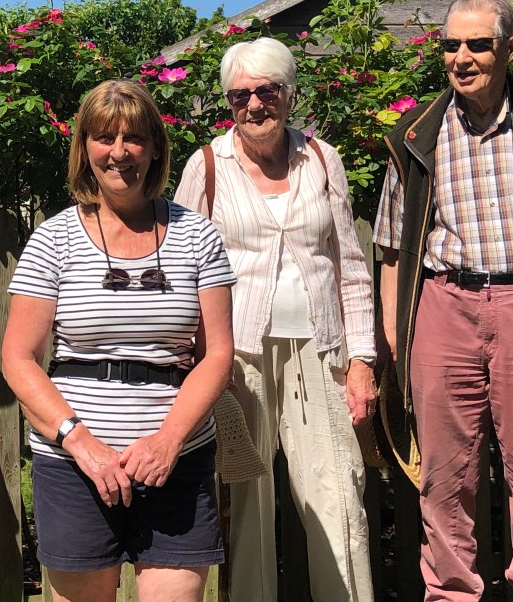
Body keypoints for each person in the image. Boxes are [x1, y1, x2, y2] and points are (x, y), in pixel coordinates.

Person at [374, 0, 513, 602]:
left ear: (508, 49)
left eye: (477, 44)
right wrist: (394, 338)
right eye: (450, 45)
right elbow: (391, 248)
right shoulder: (417, 134)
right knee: (443, 478)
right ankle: (451, 594)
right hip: (441, 306)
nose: (461, 57)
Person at [1, 79, 236, 602]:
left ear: (154, 149)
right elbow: (18, 357)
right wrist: (82, 444)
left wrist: (168, 441)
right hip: (75, 467)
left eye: (134, 138)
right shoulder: (54, 239)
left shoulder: (197, 236)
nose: (119, 152)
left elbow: (217, 352)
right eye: (104, 137)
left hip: (177, 460)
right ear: (84, 148)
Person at [175, 36, 377, 602]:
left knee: (338, 495)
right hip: (236, 356)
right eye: (240, 96)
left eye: (266, 91)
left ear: (289, 94)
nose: (254, 105)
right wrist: (198, 360)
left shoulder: (322, 158)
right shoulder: (206, 166)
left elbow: (350, 265)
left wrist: (362, 359)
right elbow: (182, 268)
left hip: (321, 350)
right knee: (245, 500)